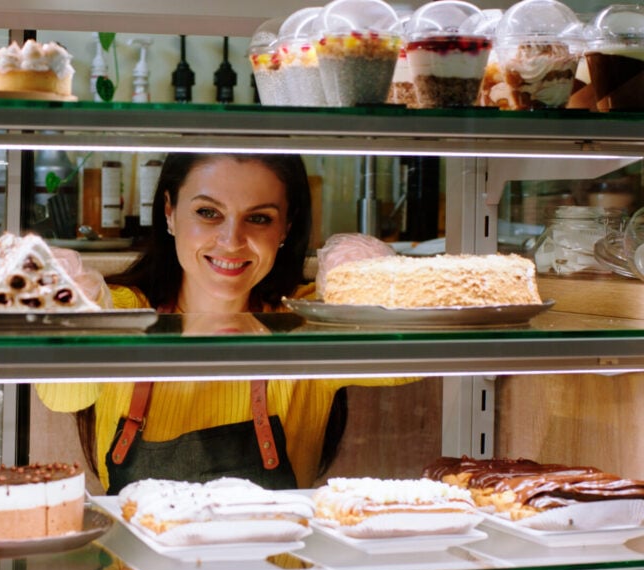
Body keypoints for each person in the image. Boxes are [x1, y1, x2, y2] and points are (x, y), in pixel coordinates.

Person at [35, 152, 411, 494]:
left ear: (286, 228)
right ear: (169, 211)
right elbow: (64, 395)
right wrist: (74, 303)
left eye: (259, 218)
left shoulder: (308, 317)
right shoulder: (122, 309)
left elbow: (408, 368)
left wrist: (374, 280)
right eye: (208, 213)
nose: (232, 241)